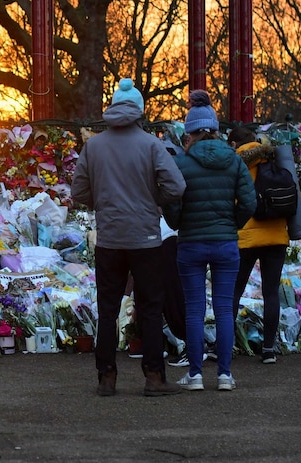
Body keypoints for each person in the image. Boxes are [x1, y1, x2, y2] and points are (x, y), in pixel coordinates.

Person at [71, 78, 186, 397]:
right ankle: (153, 377)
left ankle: (106, 377)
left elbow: (78, 191)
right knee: (150, 306)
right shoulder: (152, 145)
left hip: (108, 238)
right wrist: (153, 199)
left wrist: (103, 201)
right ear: (140, 111)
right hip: (147, 239)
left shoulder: (93, 146)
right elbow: (177, 187)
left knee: (107, 309)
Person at [163, 91, 256, 391]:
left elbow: (171, 200)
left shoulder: (182, 163)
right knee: (225, 308)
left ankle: (195, 374)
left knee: (194, 309)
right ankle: (225, 375)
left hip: (190, 243)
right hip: (226, 243)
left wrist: (177, 223)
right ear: (216, 129)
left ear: (189, 133)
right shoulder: (235, 161)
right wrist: (233, 223)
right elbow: (250, 203)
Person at [228, 125, 301, 364]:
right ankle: (269, 349)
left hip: (247, 238)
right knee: (271, 292)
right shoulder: (274, 158)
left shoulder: (237, 164)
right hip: (277, 237)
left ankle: (226, 346)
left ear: (235, 144)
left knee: (233, 292)